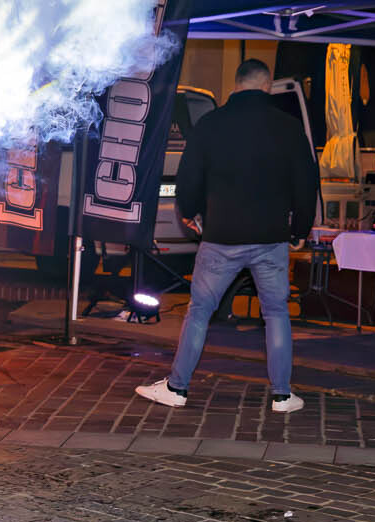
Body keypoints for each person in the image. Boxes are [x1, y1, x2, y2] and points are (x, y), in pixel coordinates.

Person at [137, 59, 320, 413]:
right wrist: (300, 228)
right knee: (276, 313)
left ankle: (177, 387)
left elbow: (189, 177)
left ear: (235, 85)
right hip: (270, 237)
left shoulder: (210, 124)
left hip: (221, 235)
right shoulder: (288, 127)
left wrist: (189, 212)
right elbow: (305, 183)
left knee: (199, 311)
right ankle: (282, 395)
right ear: (266, 86)